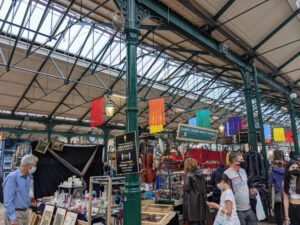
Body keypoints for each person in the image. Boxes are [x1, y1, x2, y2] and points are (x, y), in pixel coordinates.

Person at [224, 151, 258, 225]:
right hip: (237, 210)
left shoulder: (243, 171)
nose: (243, 161)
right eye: (241, 160)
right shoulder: (226, 174)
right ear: (234, 161)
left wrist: (252, 191)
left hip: (249, 208)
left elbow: (245, 186)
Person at [3, 154, 38, 225]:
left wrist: (32, 202)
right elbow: (7, 200)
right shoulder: (12, 177)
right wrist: (13, 218)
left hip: (24, 213)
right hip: (15, 213)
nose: (35, 168)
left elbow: (23, 196)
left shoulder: (27, 178)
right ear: (28, 165)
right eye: (34, 165)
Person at [183, 158, 207, 225]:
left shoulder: (188, 174)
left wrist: (183, 185)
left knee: (193, 221)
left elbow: (187, 189)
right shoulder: (201, 174)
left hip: (192, 202)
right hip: (201, 201)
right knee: (199, 221)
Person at [283, 160, 300, 225]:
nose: (295, 169)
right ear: (288, 169)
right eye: (293, 167)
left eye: (297, 167)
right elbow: (286, 199)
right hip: (292, 208)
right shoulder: (286, 182)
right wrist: (286, 217)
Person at [269, 160, 285, 225]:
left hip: (278, 193)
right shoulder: (286, 170)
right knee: (286, 208)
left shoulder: (273, 172)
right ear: (282, 164)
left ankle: (280, 222)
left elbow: (270, 183)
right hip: (286, 193)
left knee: (278, 210)